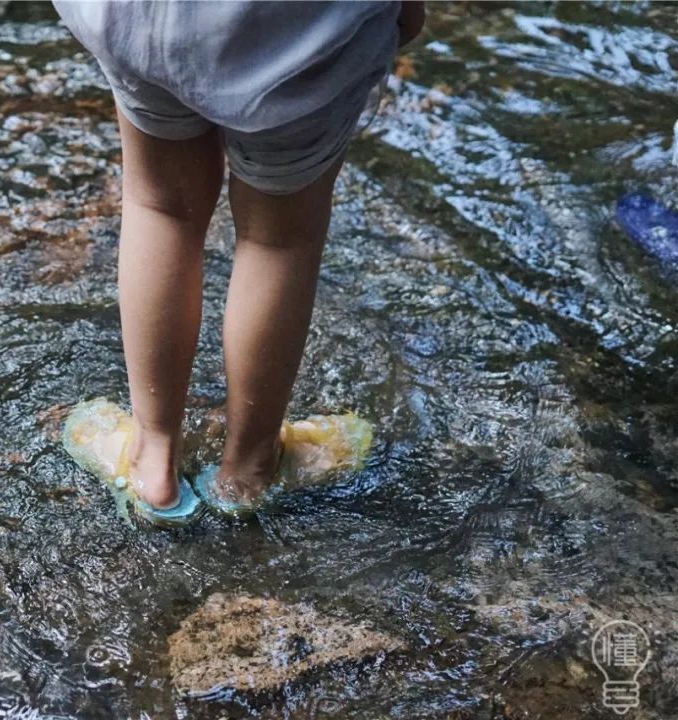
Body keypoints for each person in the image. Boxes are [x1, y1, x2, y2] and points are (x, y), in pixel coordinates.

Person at [58, 1, 425, 523]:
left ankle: (153, 460)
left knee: (161, 205)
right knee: (279, 240)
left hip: (146, 19)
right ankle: (249, 468)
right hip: (298, 37)